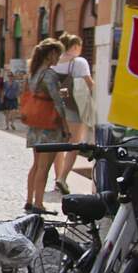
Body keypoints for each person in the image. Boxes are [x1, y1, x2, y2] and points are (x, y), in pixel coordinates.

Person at [24, 38, 71, 214]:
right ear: (51, 54)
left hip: (35, 124)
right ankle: (39, 204)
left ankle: (29, 200)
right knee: (44, 166)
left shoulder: (34, 73)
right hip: (48, 126)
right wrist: (66, 127)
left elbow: (43, 95)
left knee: (36, 165)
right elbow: (58, 103)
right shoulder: (49, 74)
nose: (58, 58)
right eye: (58, 54)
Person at [52, 33, 97, 194]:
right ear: (76, 46)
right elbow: (90, 84)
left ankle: (57, 176)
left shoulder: (54, 61)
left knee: (59, 144)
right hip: (74, 108)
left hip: (56, 107)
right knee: (73, 145)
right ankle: (62, 178)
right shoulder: (79, 62)